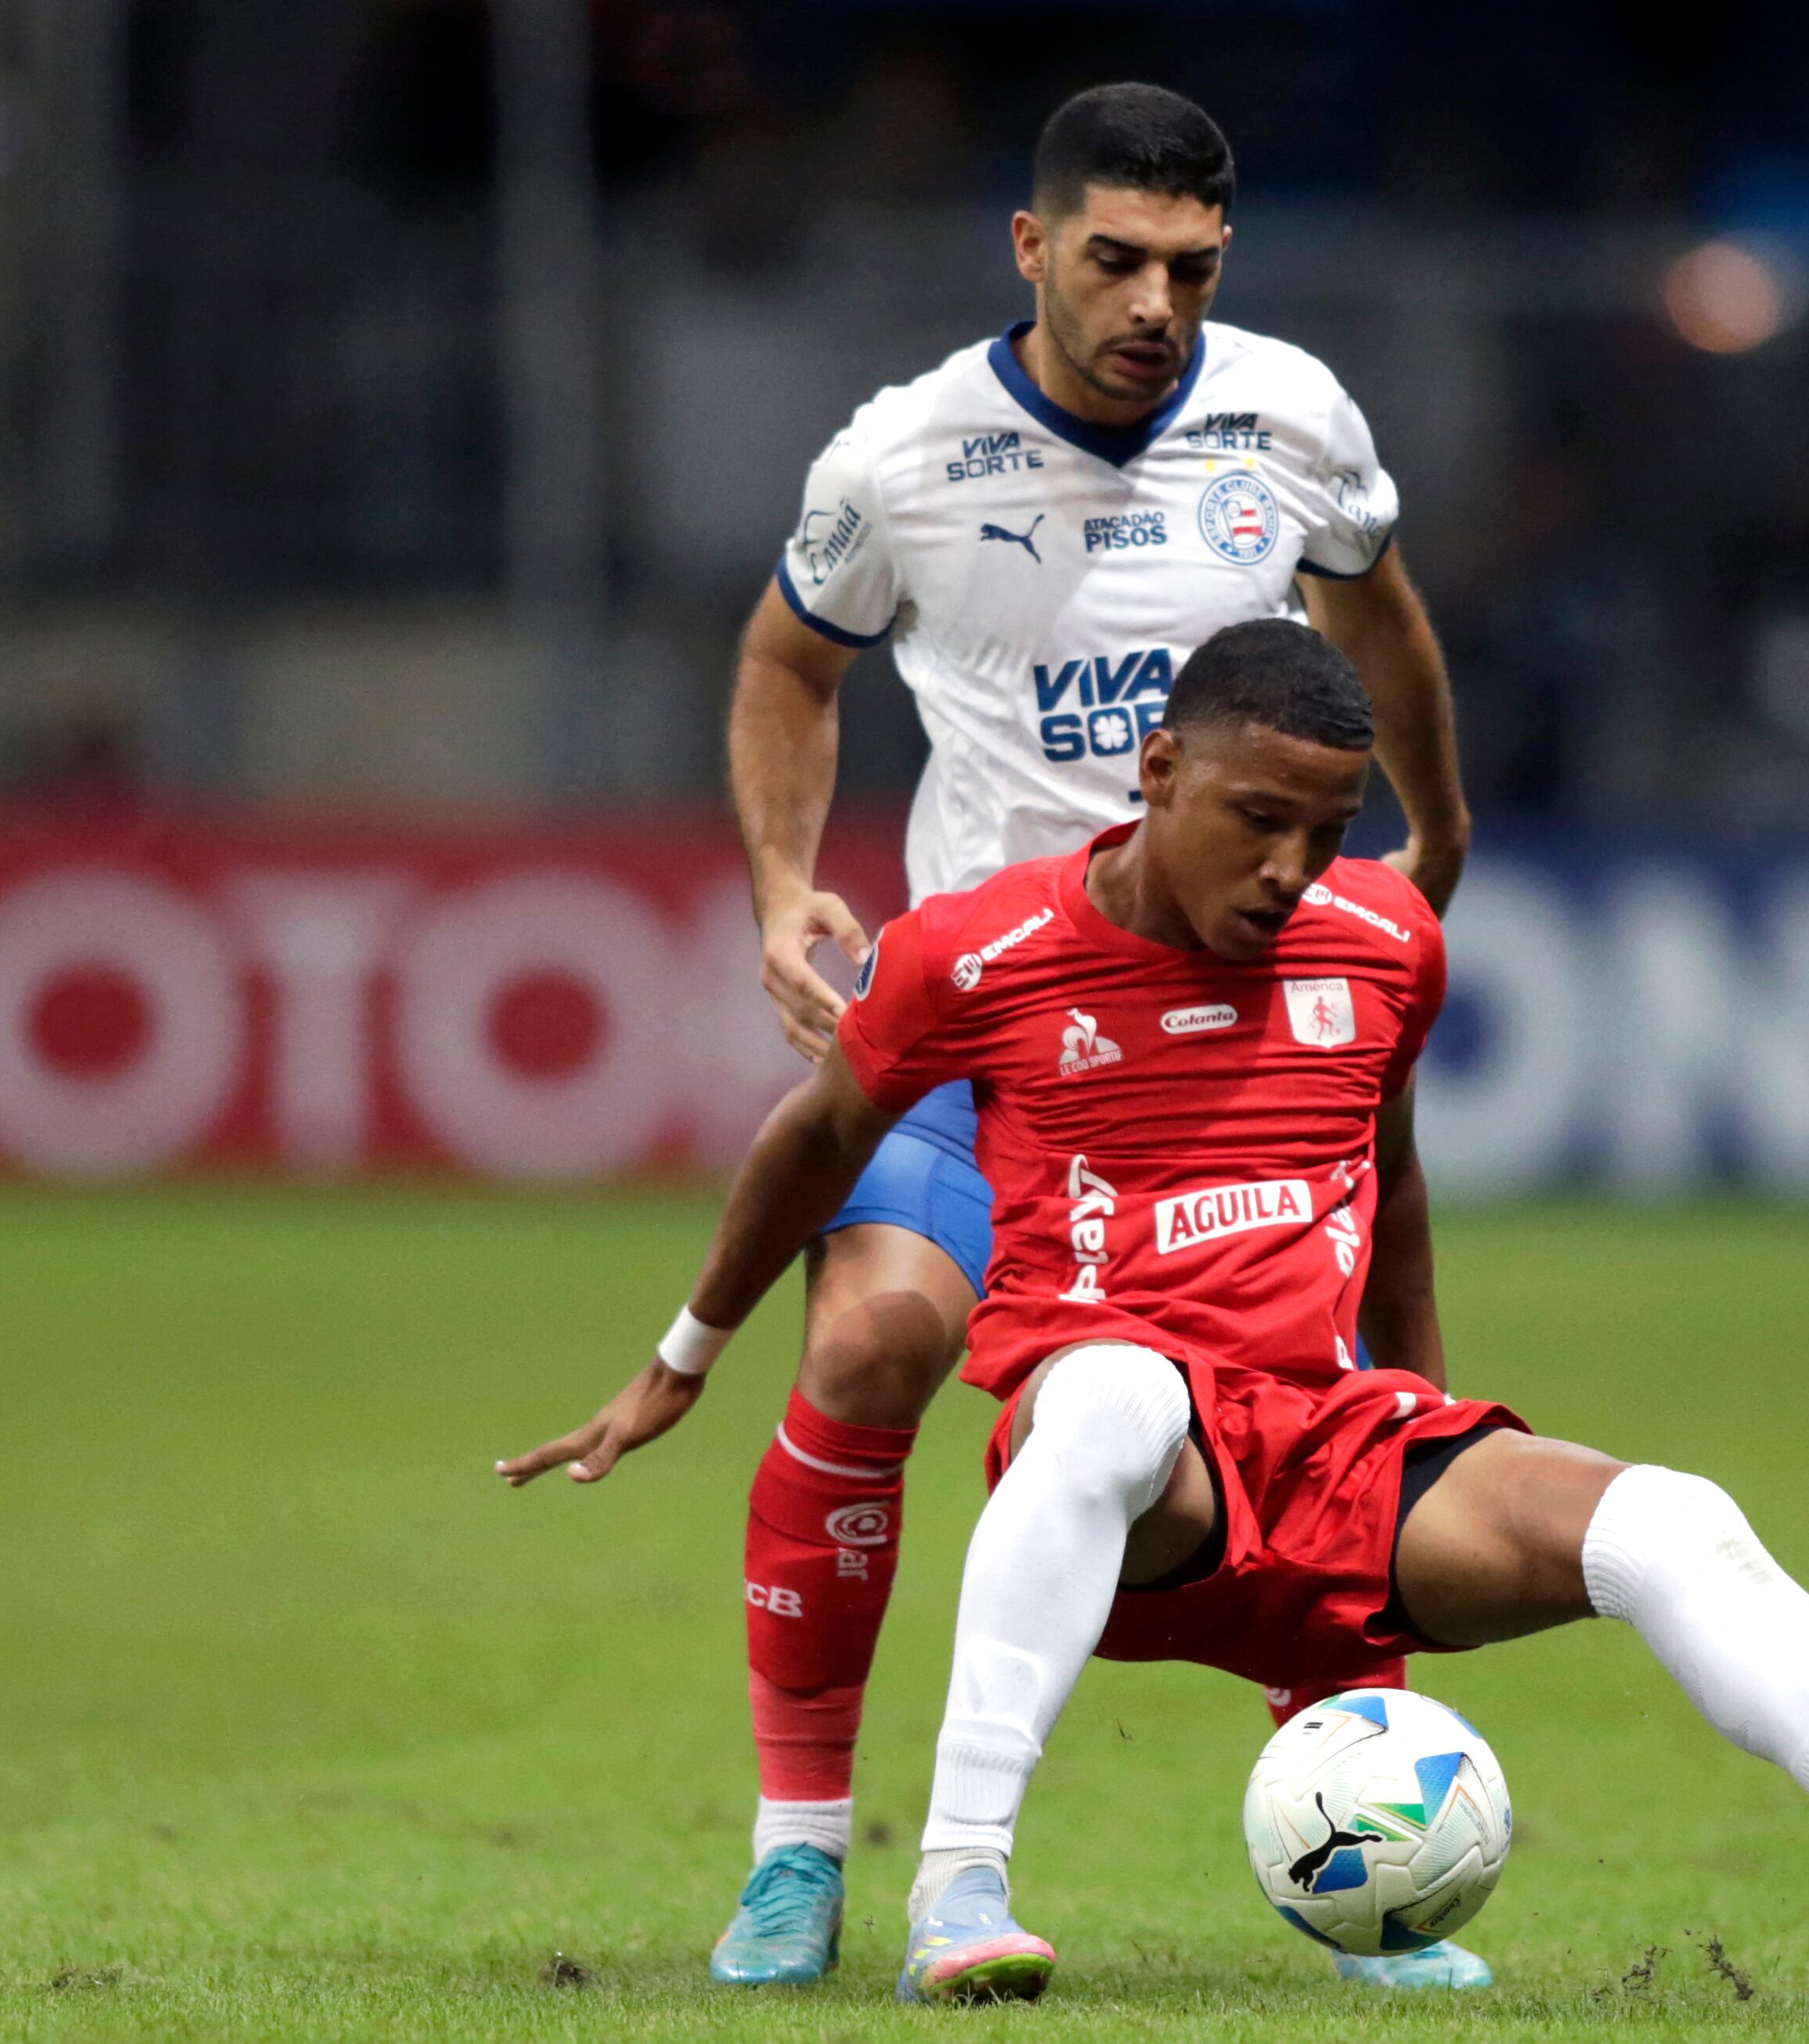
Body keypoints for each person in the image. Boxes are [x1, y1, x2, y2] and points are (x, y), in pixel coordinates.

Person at [502, 620, 1809, 2006]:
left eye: (1328, 830)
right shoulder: (982, 953)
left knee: (1673, 1520)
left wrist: (1422, 1430)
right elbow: (816, 1135)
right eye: (1257, 819)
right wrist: (683, 1356)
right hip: (1127, 1475)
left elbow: (1391, 1192)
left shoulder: (1389, 942)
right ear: (1155, 776)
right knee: (1116, 1397)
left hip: (1330, 1461)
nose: (1289, 868)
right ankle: (959, 1892)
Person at [495, 81, 1472, 1989]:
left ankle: (1359, 1844)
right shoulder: (905, 461)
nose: (1152, 304)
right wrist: (782, 886)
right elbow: (789, 655)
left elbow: (1387, 625)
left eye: (1190, 266)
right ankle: (797, 1858)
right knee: (870, 1335)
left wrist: (1435, 838)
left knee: (1332, 1396)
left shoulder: (1293, 421)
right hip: (986, 1027)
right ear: (1030, 249)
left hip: (1223, 1043)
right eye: (1112, 259)